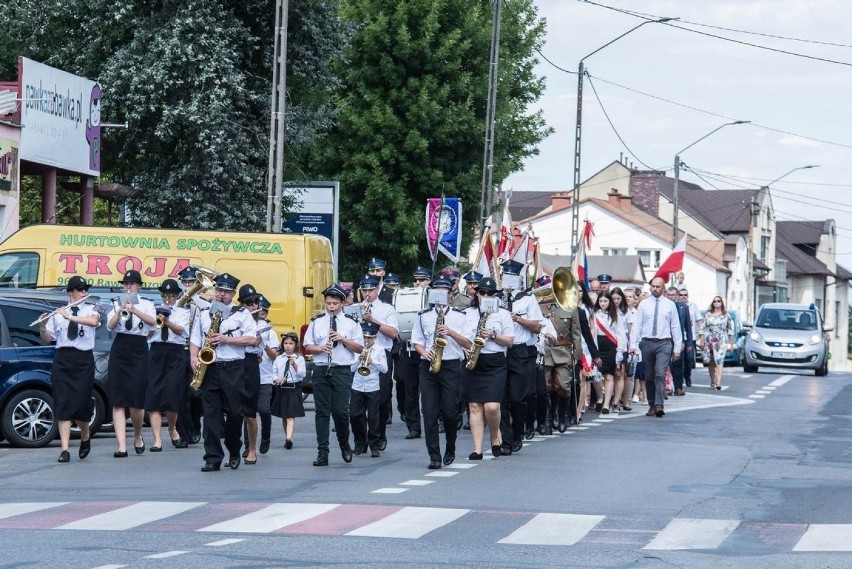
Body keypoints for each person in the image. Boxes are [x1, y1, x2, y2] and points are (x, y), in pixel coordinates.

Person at [190, 272, 258, 472]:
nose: (221, 295)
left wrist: (227, 339)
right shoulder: (204, 313)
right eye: (219, 290)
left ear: (233, 294)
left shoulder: (241, 314)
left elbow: (251, 339)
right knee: (210, 415)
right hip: (210, 368)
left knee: (235, 413)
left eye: (226, 292)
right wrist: (194, 357)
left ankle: (235, 450)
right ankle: (212, 457)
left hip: (233, 368)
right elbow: (195, 339)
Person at [411, 277, 472, 469]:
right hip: (428, 366)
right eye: (436, 290)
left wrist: (451, 332)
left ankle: (451, 447)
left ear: (450, 293)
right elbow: (417, 341)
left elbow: (469, 344)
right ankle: (434, 456)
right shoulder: (423, 316)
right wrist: (424, 352)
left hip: (451, 366)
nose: (440, 294)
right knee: (429, 413)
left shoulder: (460, 316)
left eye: (443, 290)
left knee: (450, 412)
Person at [38, 276, 100, 462]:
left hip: (83, 359)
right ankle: (64, 449)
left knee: (81, 403)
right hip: (63, 359)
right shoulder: (58, 313)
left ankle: (85, 435)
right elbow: (48, 339)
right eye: (80, 289)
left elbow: (93, 322)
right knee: (63, 403)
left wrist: (70, 316)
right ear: (70, 292)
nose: (84, 293)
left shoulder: (91, 308)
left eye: (85, 289)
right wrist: (42, 326)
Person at [303, 284, 364, 466]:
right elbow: (307, 346)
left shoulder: (351, 323)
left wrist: (342, 339)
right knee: (322, 412)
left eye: (335, 303)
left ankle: (344, 444)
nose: (331, 307)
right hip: (322, 368)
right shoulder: (317, 321)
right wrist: (321, 348)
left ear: (342, 303)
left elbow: (360, 348)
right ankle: (323, 452)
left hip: (341, 369)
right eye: (328, 303)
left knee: (340, 411)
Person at [107, 269, 157, 457]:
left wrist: (134, 309)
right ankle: (121, 445)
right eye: (125, 284)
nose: (128, 287)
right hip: (120, 347)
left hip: (138, 347)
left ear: (139, 286)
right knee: (118, 400)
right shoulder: (115, 303)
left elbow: (153, 323)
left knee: (136, 400)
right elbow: (110, 326)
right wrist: (120, 311)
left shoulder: (147, 304)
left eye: (131, 284)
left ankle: (137, 434)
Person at [464, 277, 514, 459]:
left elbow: (509, 341)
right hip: (475, 360)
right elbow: (464, 339)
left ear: (496, 296)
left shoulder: (503, 314)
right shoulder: (468, 313)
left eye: (490, 293)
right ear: (477, 294)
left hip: (495, 362)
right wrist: (465, 348)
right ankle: (477, 449)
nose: (486, 296)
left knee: (492, 407)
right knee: (475, 406)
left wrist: (493, 335)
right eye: (482, 292)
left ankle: (494, 436)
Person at [499, 259, 545, 455]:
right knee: (501, 400)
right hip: (500, 351)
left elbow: (537, 326)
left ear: (519, 279)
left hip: (521, 351)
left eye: (511, 277)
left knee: (519, 399)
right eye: (505, 276)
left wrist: (518, 318)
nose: (507, 280)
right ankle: (506, 441)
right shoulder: (496, 297)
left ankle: (518, 433)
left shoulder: (527, 299)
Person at [145, 278, 190, 452]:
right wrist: (151, 324)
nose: (168, 299)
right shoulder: (153, 310)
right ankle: (157, 440)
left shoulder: (182, 311)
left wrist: (167, 321)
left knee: (172, 396)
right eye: (165, 295)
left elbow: (181, 331)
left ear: (178, 296)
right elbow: (148, 335)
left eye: (171, 295)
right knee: (154, 397)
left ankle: (172, 428)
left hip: (175, 352)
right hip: (157, 351)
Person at [628, 277, 682, 418]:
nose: (655, 289)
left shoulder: (670, 305)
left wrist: (677, 348)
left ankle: (659, 405)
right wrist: (633, 344)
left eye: (658, 287)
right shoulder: (644, 304)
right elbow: (637, 325)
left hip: (664, 343)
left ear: (663, 288)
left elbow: (675, 326)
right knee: (649, 375)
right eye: (653, 286)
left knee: (660, 373)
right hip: (647, 343)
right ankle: (652, 404)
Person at [358, 274, 399, 451]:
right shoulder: (355, 308)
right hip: (359, 355)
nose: (367, 293)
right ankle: (360, 440)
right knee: (358, 402)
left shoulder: (387, 309)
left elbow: (393, 333)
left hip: (381, 354)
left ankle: (379, 435)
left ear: (377, 290)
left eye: (370, 290)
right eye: (364, 290)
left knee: (381, 399)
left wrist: (373, 320)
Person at [539, 282, 582, 434]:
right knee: (546, 387)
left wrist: (576, 354)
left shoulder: (570, 308)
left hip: (563, 352)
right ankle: (548, 417)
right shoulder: (540, 307)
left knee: (564, 386)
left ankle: (562, 415)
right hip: (545, 352)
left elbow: (576, 333)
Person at [175, 266, 207, 447]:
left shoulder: (202, 303)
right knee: (181, 395)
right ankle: (183, 434)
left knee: (195, 394)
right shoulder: (177, 303)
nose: (187, 285)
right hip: (180, 350)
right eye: (185, 282)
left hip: (197, 351)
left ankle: (196, 424)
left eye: (191, 282)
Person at [399, 267, 432, 439]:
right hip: (410, 349)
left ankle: (433, 422)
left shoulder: (434, 299)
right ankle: (413, 426)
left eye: (422, 280)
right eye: (415, 280)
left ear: (429, 281)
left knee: (430, 391)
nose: (418, 283)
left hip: (429, 350)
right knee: (410, 390)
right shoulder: (407, 298)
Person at [235, 283, 264, 465]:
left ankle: (252, 449)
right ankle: (235, 448)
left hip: (251, 363)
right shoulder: (236, 319)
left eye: (255, 301)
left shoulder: (262, 324)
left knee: (250, 411)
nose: (253, 305)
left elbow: (255, 343)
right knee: (234, 410)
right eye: (249, 302)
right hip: (236, 361)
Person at [350, 322, 387, 458]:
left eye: (369, 338)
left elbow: (385, 369)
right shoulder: (356, 348)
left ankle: (374, 445)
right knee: (354, 415)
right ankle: (360, 442)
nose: (366, 340)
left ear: (375, 337)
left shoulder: (380, 350)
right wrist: (358, 360)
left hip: (372, 386)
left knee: (373, 418)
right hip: (358, 385)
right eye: (365, 337)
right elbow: (350, 369)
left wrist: (373, 361)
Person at [271, 332, 306, 449]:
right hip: (282, 388)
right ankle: (287, 437)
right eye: (286, 343)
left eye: (291, 343)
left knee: (291, 416)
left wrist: (295, 365)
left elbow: (302, 374)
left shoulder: (299, 358)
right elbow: (273, 372)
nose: (288, 346)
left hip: (294, 388)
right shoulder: (278, 359)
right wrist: (276, 380)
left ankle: (289, 438)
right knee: (284, 416)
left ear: (295, 345)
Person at [593, 291, 627, 414]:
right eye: (600, 301)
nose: (603, 303)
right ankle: (600, 397)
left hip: (611, 348)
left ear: (609, 302)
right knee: (595, 376)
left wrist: (620, 351)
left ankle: (606, 404)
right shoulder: (594, 315)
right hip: (597, 348)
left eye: (605, 301)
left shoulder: (615, 315)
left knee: (609, 376)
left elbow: (620, 334)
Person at [255, 296, 279, 454]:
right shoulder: (246, 327)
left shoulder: (270, 332)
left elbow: (274, 356)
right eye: (258, 312)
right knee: (248, 413)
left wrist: (263, 342)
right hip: (248, 376)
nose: (260, 314)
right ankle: (249, 444)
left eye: (263, 312)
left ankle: (265, 438)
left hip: (265, 376)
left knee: (263, 410)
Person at [697, 296, 734, 390]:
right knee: (711, 361)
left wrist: (731, 344)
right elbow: (702, 328)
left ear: (721, 303)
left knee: (719, 360)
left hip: (721, 341)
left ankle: (718, 382)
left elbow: (730, 330)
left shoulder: (726, 315)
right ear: (712, 303)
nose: (716, 303)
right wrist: (701, 340)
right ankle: (712, 380)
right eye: (714, 301)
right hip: (709, 340)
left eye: (718, 301)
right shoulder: (707, 314)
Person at [666, 286, 693, 397]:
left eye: (673, 295)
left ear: (677, 296)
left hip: (679, 340)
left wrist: (688, 343)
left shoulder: (683, 307)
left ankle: (678, 387)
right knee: (666, 365)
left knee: (678, 364)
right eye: (669, 295)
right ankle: (668, 387)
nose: (671, 297)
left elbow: (687, 327)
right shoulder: (663, 306)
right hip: (666, 339)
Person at [678, 288, 702, 388]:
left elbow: (699, 320)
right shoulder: (676, 306)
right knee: (680, 360)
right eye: (681, 295)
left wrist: (700, 334)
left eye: (685, 295)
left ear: (688, 296)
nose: (683, 297)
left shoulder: (693, 306)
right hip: (679, 337)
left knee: (689, 359)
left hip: (690, 337)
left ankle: (687, 376)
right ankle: (680, 380)